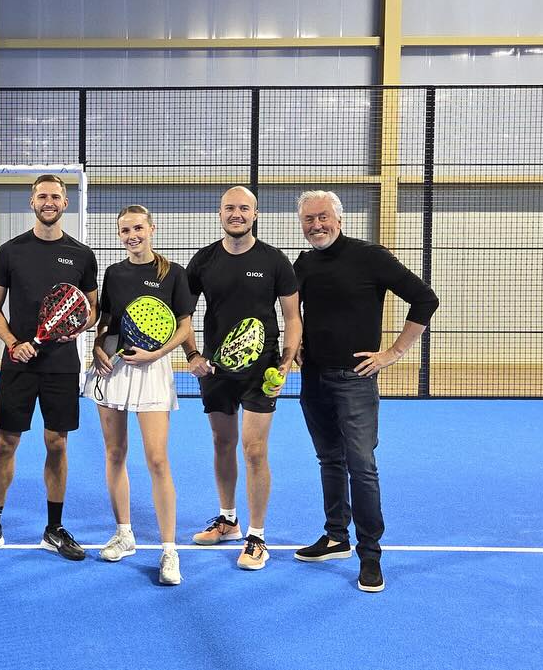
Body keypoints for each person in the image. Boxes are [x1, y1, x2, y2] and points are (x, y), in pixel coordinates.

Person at [292, 189, 439, 593]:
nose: (316, 225)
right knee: (329, 459)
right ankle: (336, 536)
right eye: (308, 219)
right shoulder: (302, 263)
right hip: (313, 378)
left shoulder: (370, 256)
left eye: (323, 217)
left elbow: (426, 299)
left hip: (355, 379)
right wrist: (299, 342)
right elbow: (296, 311)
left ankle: (370, 555)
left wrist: (393, 351)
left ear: (338, 219)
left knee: (362, 465)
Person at [183, 186, 302, 571]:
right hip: (216, 370)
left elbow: (292, 318)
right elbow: (183, 316)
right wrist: (193, 355)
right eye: (230, 207)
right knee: (222, 442)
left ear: (255, 214)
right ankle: (228, 520)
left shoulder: (275, 261)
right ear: (220, 214)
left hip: (260, 371)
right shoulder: (203, 260)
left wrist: (285, 362)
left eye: (244, 208)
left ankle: (257, 537)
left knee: (254, 450)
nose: (237, 213)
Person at [0, 174, 99, 560]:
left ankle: (54, 527)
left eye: (56, 196)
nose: (49, 202)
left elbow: (92, 310)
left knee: (56, 443)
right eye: (42, 196)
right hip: (18, 363)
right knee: (5, 443)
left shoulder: (82, 255)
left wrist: (75, 325)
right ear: (32, 202)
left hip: (62, 365)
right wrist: (13, 343)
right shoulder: (10, 251)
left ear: (65, 204)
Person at [85, 205, 194, 585]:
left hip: (152, 369)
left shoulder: (173, 274)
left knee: (157, 459)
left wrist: (158, 353)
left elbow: (184, 327)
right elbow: (107, 322)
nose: (132, 235)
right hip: (113, 368)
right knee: (115, 453)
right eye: (125, 230)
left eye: (138, 228)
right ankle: (125, 533)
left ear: (152, 228)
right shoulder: (113, 273)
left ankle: (168, 551)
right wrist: (98, 346)